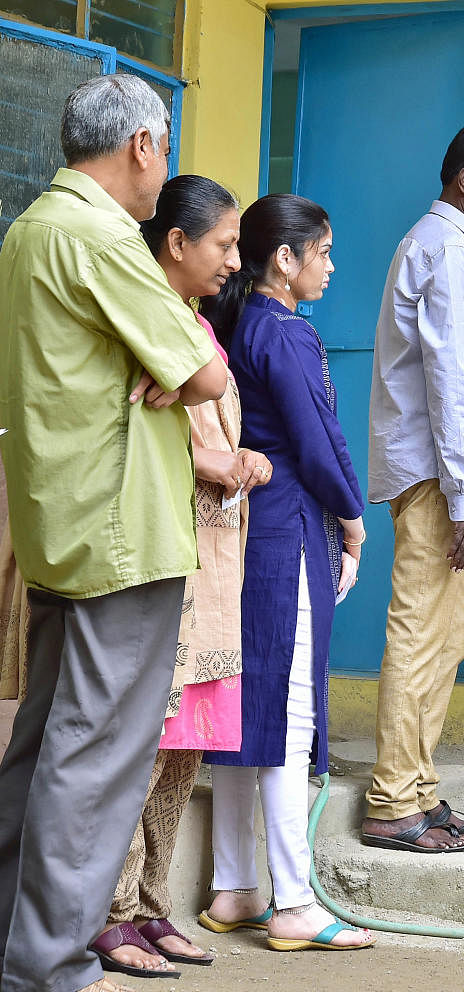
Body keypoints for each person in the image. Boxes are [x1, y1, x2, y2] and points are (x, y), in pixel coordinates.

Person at [0, 75, 227, 992]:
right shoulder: (100, 235)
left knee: (44, 744)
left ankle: (19, 950)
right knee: (94, 762)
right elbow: (205, 370)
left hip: (63, 522)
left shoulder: (27, 230)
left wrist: (169, 365)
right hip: (121, 530)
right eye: (162, 147)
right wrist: (179, 367)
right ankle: (47, 966)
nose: (162, 166)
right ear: (142, 142)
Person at [76, 175, 270, 980]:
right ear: (176, 243)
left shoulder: (195, 324)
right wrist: (213, 460)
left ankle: (153, 906)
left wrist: (239, 458)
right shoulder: (139, 319)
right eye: (224, 244)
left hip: (215, 558)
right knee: (144, 744)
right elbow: (119, 423)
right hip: (164, 553)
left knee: (183, 752)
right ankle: (110, 912)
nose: (234, 260)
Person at [199, 194, 374, 949]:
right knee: (291, 710)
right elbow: (318, 439)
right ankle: (297, 903)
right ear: (287, 259)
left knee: (248, 706)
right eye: (324, 253)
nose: (332, 268)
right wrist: (354, 516)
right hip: (293, 530)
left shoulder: (242, 327)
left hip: (250, 533)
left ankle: (235, 889)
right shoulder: (288, 334)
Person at [363, 123, 464, 853]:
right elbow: (450, 381)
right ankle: (394, 802)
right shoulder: (445, 251)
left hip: (440, 472)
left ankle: (418, 792)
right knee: (422, 632)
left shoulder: (453, 249)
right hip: (437, 475)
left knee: (443, 636)